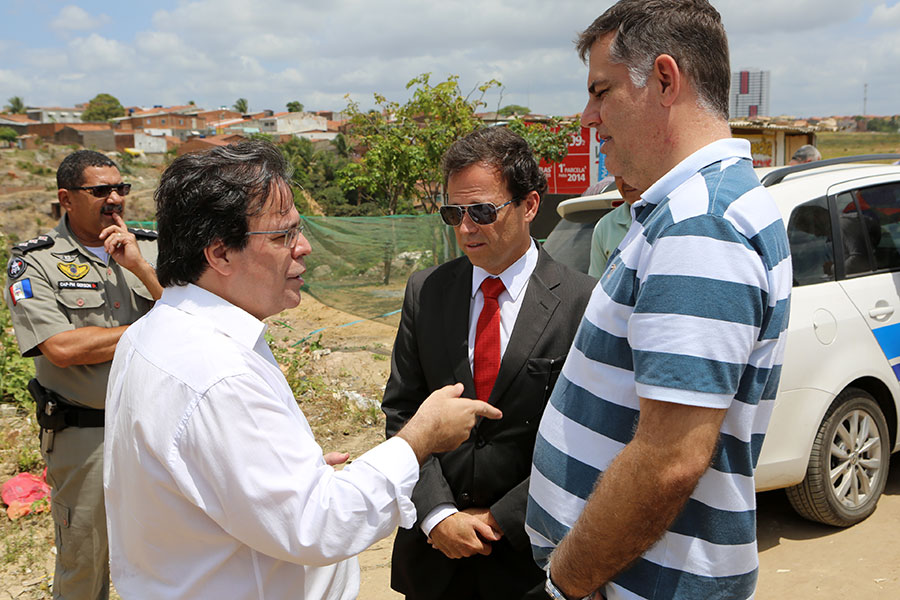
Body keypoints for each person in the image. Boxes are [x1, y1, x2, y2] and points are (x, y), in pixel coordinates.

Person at [103, 140, 502, 600]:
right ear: (220, 254)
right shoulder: (218, 374)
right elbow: (318, 525)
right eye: (282, 236)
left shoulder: (153, 334)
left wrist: (298, 474)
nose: (304, 248)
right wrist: (419, 441)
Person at [525, 2, 793, 599]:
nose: (588, 117)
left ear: (666, 81)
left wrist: (566, 582)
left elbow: (670, 458)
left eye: (602, 91)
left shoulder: (702, 225)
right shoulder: (684, 210)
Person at [382, 127, 596, 600]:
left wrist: (502, 518)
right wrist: (437, 514)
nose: (465, 228)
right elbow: (402, 412)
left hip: (530, 562)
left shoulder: (582, 302)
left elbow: (584, 435)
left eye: (481, 212)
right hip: (435, 562)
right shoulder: (427, 291)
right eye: (453, 213)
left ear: (530, 206)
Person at [2, 150, 161, 600]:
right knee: (85, 561)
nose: (115, 199)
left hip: (157, 427)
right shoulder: (35, 262)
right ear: (67, 199)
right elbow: (61, 348)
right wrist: (155, 327)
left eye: (120, 189)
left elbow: (196, 318)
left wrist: (141, 269)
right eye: (100, 191)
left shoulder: (151, 248)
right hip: (85, 436)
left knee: (169, 550)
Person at [588, 176, 642, 276]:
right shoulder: (605, 225)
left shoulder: (668, 216)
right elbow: (595, 284)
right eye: (619, 175)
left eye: (630, 171)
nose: (626, 181)